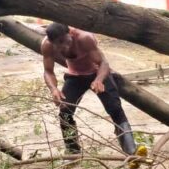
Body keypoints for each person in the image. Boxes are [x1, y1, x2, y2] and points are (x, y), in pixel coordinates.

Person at [42, 23, 138, 156]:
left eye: (64, 41)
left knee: (115, 108)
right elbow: (48, 71)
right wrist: (53, 89)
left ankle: (130, 150)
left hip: (97, 72)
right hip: (75, 76)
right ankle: (73, 151)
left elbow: (103, 63)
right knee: (65, 110)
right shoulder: (47, 45)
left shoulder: (84, 38)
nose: (63, 46)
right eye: (58, 44)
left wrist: (98, 80)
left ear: (70, 33)